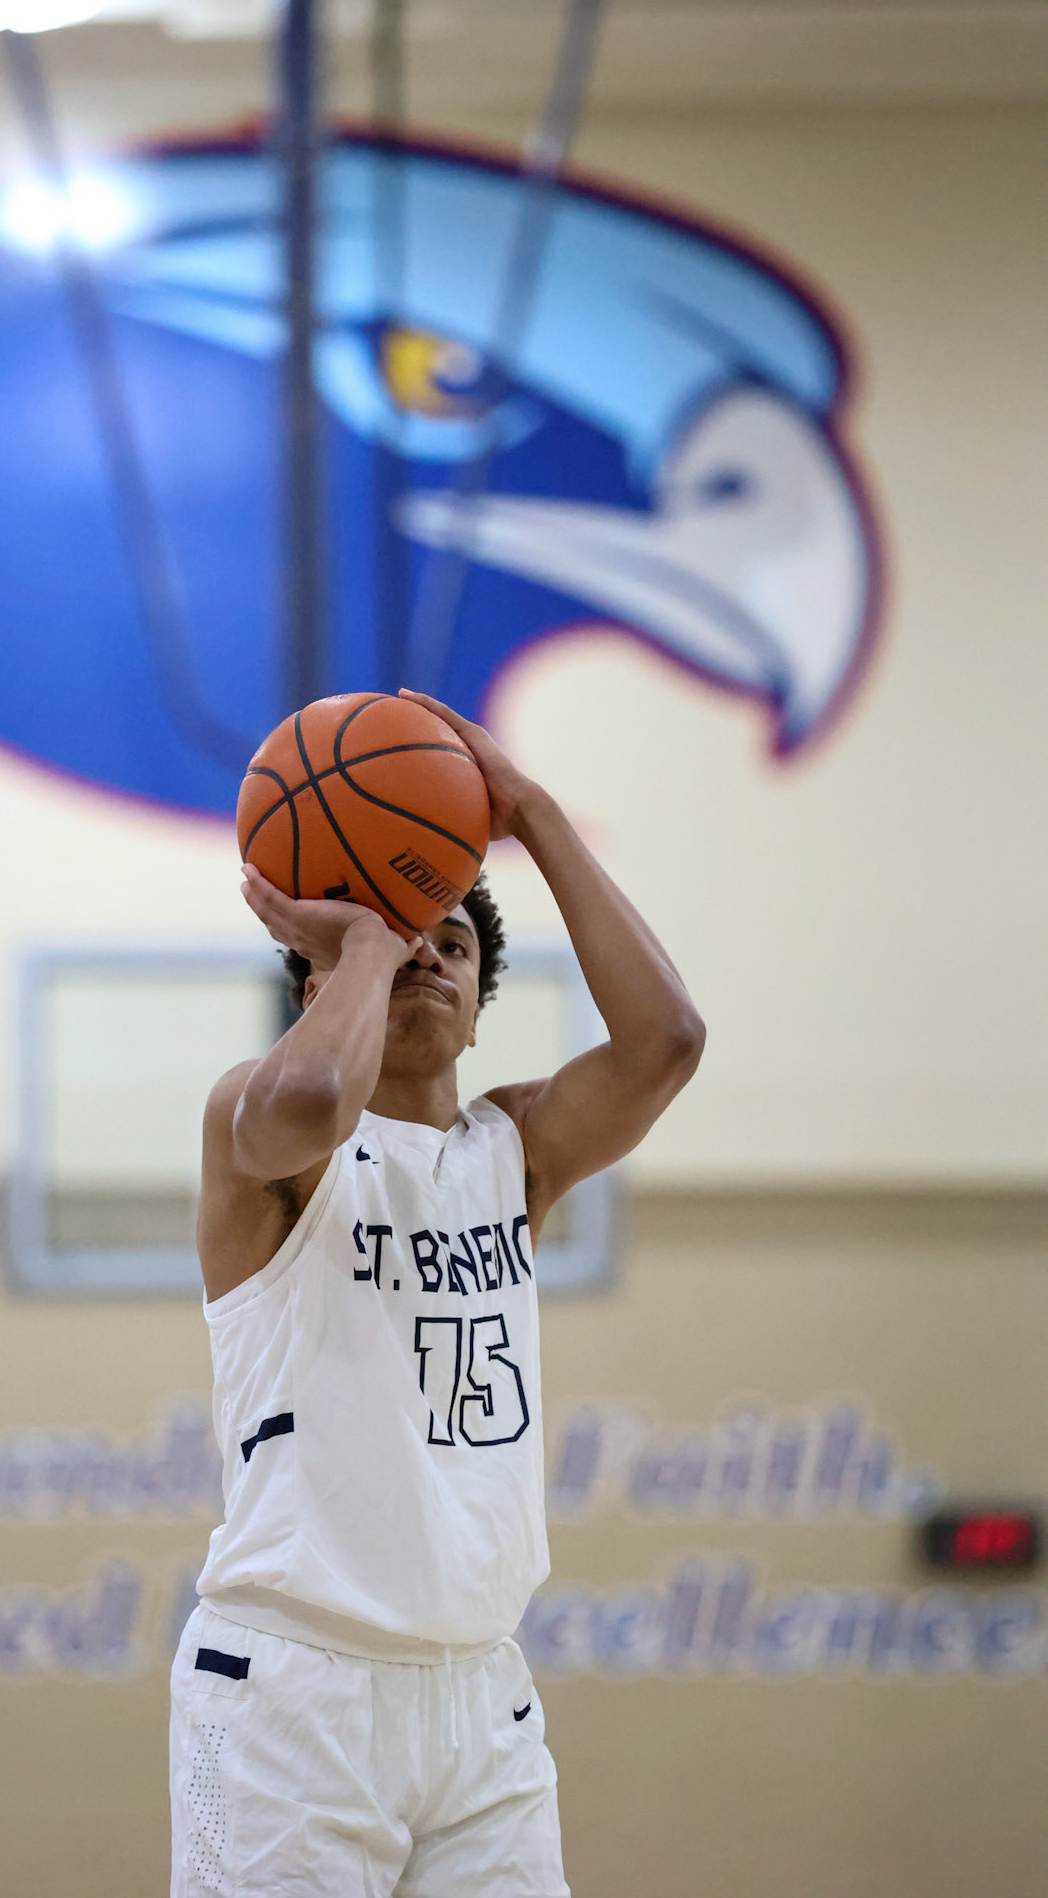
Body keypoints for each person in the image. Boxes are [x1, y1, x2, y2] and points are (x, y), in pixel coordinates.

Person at [170, 690, 705, 1897]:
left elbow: (667, 1039)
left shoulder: (517, 1149)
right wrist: (363, 944)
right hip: (292, 1687)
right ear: (316, 982)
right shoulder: (260, 1120)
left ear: (478, 1007)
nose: (423, 952)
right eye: (398, 937)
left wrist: (535, 811)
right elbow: (317, 1100)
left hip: (480, 1692)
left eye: (450, 942)